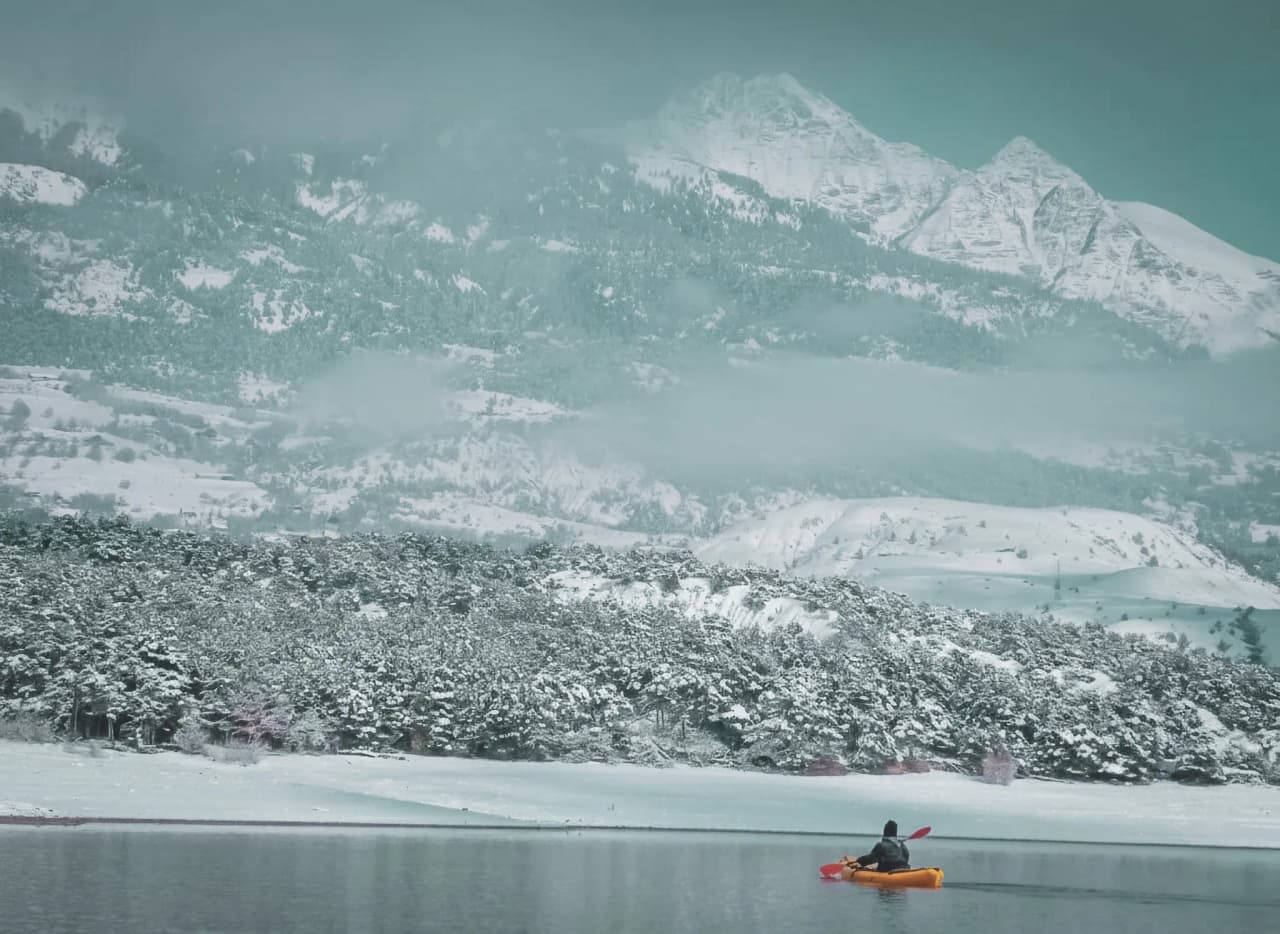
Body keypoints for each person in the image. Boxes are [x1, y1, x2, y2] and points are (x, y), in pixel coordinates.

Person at [846, 820, 910, 872]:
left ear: (885, 832)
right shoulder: (902, 845)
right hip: (904, 869)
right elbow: (906, 856)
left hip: (888, 871)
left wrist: (858, 861)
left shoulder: (881, 845)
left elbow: (870, 859)